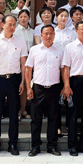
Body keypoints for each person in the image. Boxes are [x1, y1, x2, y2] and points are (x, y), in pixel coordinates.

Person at [0, 15, 28, 156]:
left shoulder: (20, 41)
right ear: (2, 24)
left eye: (14, 24)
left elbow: (23, 63)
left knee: (13, 114)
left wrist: (23, 82)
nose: (12, 27)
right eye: (9, 24)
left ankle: (13, 143)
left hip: (14, 80)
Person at [25, 25, 64, 156]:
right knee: (36, 119)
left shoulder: (60, 50)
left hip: (54, 88)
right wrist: (28, 87)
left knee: (53, 118)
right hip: (38, 88)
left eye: (51, 33)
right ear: (41, 35)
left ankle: (52, 146)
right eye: (45, 34)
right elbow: (28, 69)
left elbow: (63, 69)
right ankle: (35, 146)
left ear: (54, 35)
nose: (48, 36)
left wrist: (65, 86)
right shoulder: (34, 50)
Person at [61, 20, 83, 156]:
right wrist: (66, 85)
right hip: (74, 83)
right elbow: (66, 68)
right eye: (82, 29)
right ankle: (73, 146)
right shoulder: (70, 47)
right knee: (73, 115)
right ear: (76, 31)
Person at [14, 9, 34, 120]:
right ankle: (16, 111)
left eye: (25, 16)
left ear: (29, 18)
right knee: (18, 86)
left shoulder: (32, 31)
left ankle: (23, 110)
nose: (23, 19)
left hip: (30, 62)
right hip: (18, 62)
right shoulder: (15, 31)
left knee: (26, 86)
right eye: (21, 17)